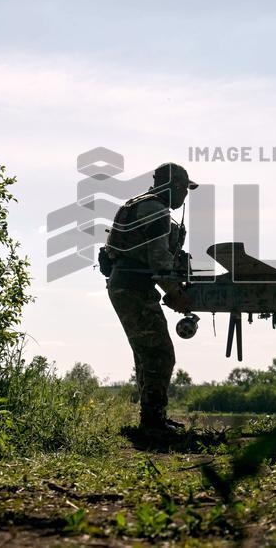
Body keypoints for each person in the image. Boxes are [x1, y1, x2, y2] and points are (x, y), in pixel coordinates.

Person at [104, 162, 196, 436]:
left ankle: (151, 418)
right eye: (184, 189)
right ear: (174, 186)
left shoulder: (137, 204)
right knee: (160, 354)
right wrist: (176, 293)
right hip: (134, 288)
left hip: (126, 285)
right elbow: (158, 260)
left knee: (147, 355)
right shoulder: (156, 210)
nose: (185, 196)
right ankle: (153, 422)